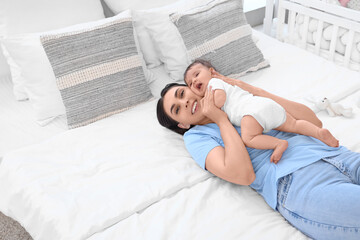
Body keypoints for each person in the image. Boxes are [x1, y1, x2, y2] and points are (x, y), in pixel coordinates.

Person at [156, 81, 360, 240]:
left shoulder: (233, 98)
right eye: (177, 109)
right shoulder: (196, 137)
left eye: (182, 94)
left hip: (335, 155)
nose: (184, 102)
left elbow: (313, 122)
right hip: (298, 181)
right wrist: (220, 119)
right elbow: (243, 175)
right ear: (182, 124)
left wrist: (252, 90)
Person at [183, 59, 339, 163]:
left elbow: (220, 99)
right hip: (265, 104)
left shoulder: (214, 83)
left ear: (212, 72)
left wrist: (208, 106)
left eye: (197, 75)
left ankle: (278, 144)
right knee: (294, 124)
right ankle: (319, 134)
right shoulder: (221, 84)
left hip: (249, 113)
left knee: (249, 138)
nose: (195, 81)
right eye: (190, 83)